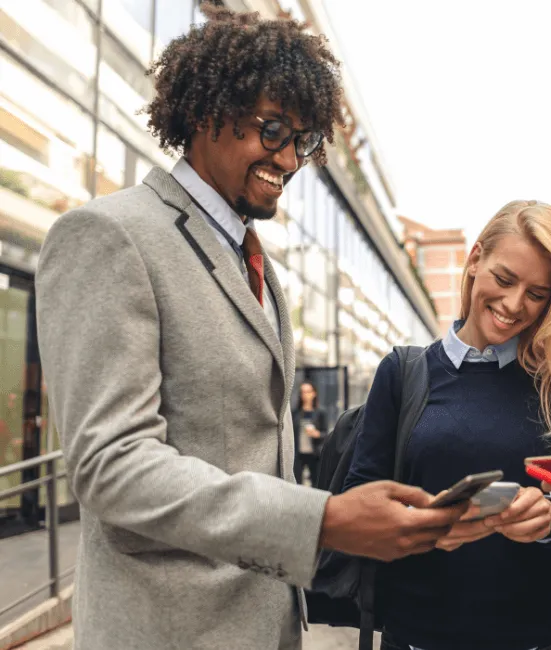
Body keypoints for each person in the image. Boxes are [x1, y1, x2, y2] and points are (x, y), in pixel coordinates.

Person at [35, 7, 465, 650]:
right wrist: (321, 522)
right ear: (206, 112)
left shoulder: (257, 266)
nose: (290, 159)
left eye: (303, 141)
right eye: (272, 131)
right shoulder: (110, 235)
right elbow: (112, 466)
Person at [344, 200, 551, 650]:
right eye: (504, 279)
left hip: (531, 640)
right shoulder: (403, 373)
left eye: (537, 293)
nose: (514, 305)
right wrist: (423, 522)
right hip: (416, 639)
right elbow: (356, 508)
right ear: (475, 259)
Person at [294, 381, 327, 484]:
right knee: (297, 482)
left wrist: (317, 434)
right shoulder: (295, 413)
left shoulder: (320, 413)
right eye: (303, 392)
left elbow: (326, 434)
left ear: (314, 393)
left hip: (314, 453)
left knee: (316, 482)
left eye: (308, 391)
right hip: (298, 454)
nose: (305, 395)